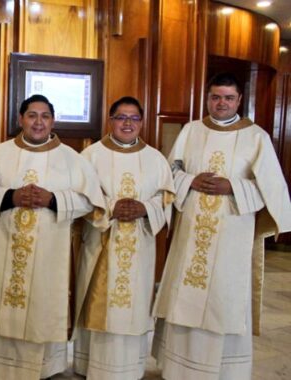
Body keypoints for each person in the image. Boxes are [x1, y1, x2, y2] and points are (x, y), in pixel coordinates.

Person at [152, 73, 291, 380]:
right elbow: (169, 174)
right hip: (191, 233)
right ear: (207, 98)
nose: (221, 103)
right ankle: (178, 368)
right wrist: (191, 180)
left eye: (228, 98)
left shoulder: (257, 137)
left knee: (223, 298)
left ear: (239, 100)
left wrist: (234, 188)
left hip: (232, 233)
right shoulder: (191, 130)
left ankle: (225, 370)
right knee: (185, 294)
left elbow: (270, 189)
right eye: (216, 97)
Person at [0, 94, 106, 380]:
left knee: (42, 310)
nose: (38, 122)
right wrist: (12, 196)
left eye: (45, 116)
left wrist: (53, 199)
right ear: (20, 119)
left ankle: (44, 370)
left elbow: (92, 202)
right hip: (3, 249)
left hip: (51, 254)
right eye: (32, 115)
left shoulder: (72, 158)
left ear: (53, 120)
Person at [73, 96, 174, 380]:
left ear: (141, 122)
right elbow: (80, 196)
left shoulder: (156, 159)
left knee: (133, 308)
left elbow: (165, 199)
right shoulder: (90, 156)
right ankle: (89, 367)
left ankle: (129, 370)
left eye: (133, 118)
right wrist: (110, 207)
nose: (127, 124)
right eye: (121, 117)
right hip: (101, 245)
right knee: (98, 302)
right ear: (111, 120)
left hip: (140, 248)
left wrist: (145, 208)